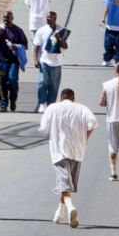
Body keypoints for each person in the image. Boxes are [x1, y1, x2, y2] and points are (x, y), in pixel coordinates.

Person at [39, 88, 96, 228]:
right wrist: (85, 138)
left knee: (64, 183)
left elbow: (43, 128)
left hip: (59, 152)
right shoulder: (82, 108)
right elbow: (93, 123)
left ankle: (70, 207)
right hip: (77, 152)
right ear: (73, 98)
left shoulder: (53, 108)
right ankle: (60, 211)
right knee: (65, 183)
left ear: (60, 97)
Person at [0, 11, 28, 112]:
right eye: (4, 18)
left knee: (12, 80)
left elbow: (25, 45)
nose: (6, 20)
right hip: (1, 60)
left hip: (13, 60)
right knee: (2, 83)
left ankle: (13, 100)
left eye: (8, 18)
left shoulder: (18, 31)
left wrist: (15, 46)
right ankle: (3, 105)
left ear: (12, 18)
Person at [33, 11, 68, 113]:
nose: (48, 19)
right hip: (44, 61)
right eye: (47, 17)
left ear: (55, 19)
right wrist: (35, 59)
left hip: (56, 63)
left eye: (50, 18)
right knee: (42, 82)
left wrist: (59, 38)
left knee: (53, 85)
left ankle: (50, 105)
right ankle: (42, 103)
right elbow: (36, 46)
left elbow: (65, 46)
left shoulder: (62, 30)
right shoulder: (41, 30)